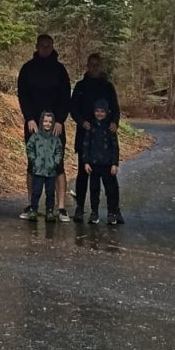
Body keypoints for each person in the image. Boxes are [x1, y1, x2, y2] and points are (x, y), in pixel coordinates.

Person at [17, 33, 71, 220]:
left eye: (49, 46)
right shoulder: (27, 69)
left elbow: (66, 97)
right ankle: (32, 205)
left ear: (53, 47)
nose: (45, 48)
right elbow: (22, 95)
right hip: (33, 124)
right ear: (37, 46)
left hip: (55, 124)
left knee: (58, 163)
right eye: (42, 45)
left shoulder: (60, 70)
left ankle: (61, 207)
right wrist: (29, 118)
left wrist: (60, 120)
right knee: (33, 163)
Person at [70, 52, 120, 223]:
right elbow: (73, 109)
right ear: (87, 65)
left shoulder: (108, 87)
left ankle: (115, 210)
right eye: (91, 64)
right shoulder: (80, 86)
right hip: (86, 134)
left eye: (97, 64)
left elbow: (116, 108)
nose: (94, 67)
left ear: (101, 66)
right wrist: (82, 122)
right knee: (83, 174)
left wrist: (114, 122)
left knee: (110, 178)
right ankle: (80, 208)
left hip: (106, 137)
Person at [80, 100, 124, 226]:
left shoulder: (110, 127)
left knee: (110, 190)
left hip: (108, 165)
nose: (99, 114)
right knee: (94, 189)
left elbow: (115, 147)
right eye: (97, 111)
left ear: (106, 112)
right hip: (93, 165)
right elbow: (86, 145)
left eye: (102, 111)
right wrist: (86, 162)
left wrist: (115, 163)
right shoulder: (90, 127)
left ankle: (112, 213)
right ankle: (94, 212)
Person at [21, 110, 64, 221]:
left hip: (51, 171)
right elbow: (29, 148)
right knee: (36, 191)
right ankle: (33, 210)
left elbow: (59, 150)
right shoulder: (35, 137)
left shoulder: (55, 139)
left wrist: (56, 162)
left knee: (50, 193)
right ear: (41, 122)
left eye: (50, 122)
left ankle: (49, 211)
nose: (47, 124)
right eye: (45, 121)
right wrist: (33, 160)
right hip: (38, 170)